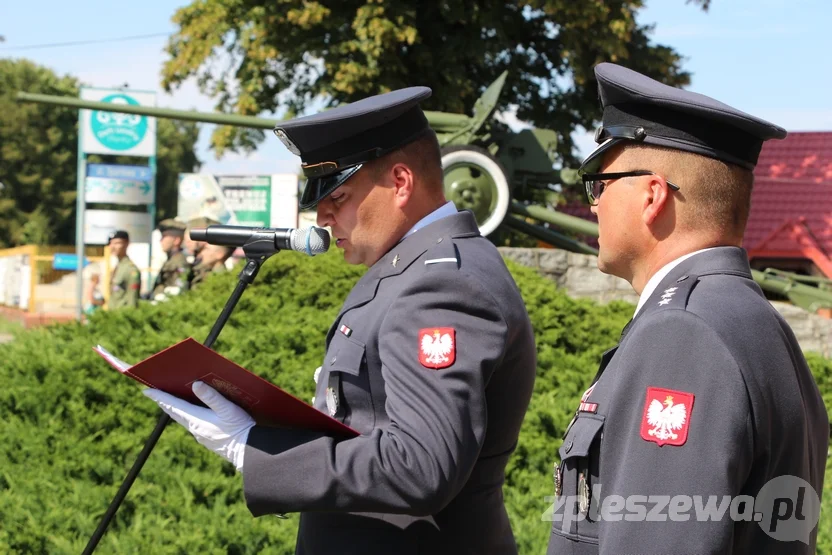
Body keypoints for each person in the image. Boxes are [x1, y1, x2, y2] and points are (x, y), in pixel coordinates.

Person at [142, 87, 537, 554]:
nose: (322, 217)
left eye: (339, 195)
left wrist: (257, 449)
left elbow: (419, 465)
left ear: (402, 182)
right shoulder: (411, 267)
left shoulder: (440, 284)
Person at [545, 63, 829, 554]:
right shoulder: (752, 318)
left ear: (652, 196)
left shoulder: (683, 333)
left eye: (600, 183)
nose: (593, 204)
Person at [149, 219, 192, 301]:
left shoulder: (179, 262)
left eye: (164, 237)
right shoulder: (171, 260)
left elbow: (179, 289)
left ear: (176, 240)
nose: (161, 240)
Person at [107, 230, 141, 310]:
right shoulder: (118, 266)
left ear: (126, 244)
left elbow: (132, 299)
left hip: (123, 315)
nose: (112, 247)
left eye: (117, 243)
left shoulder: (131, 269)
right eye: (111, 243)